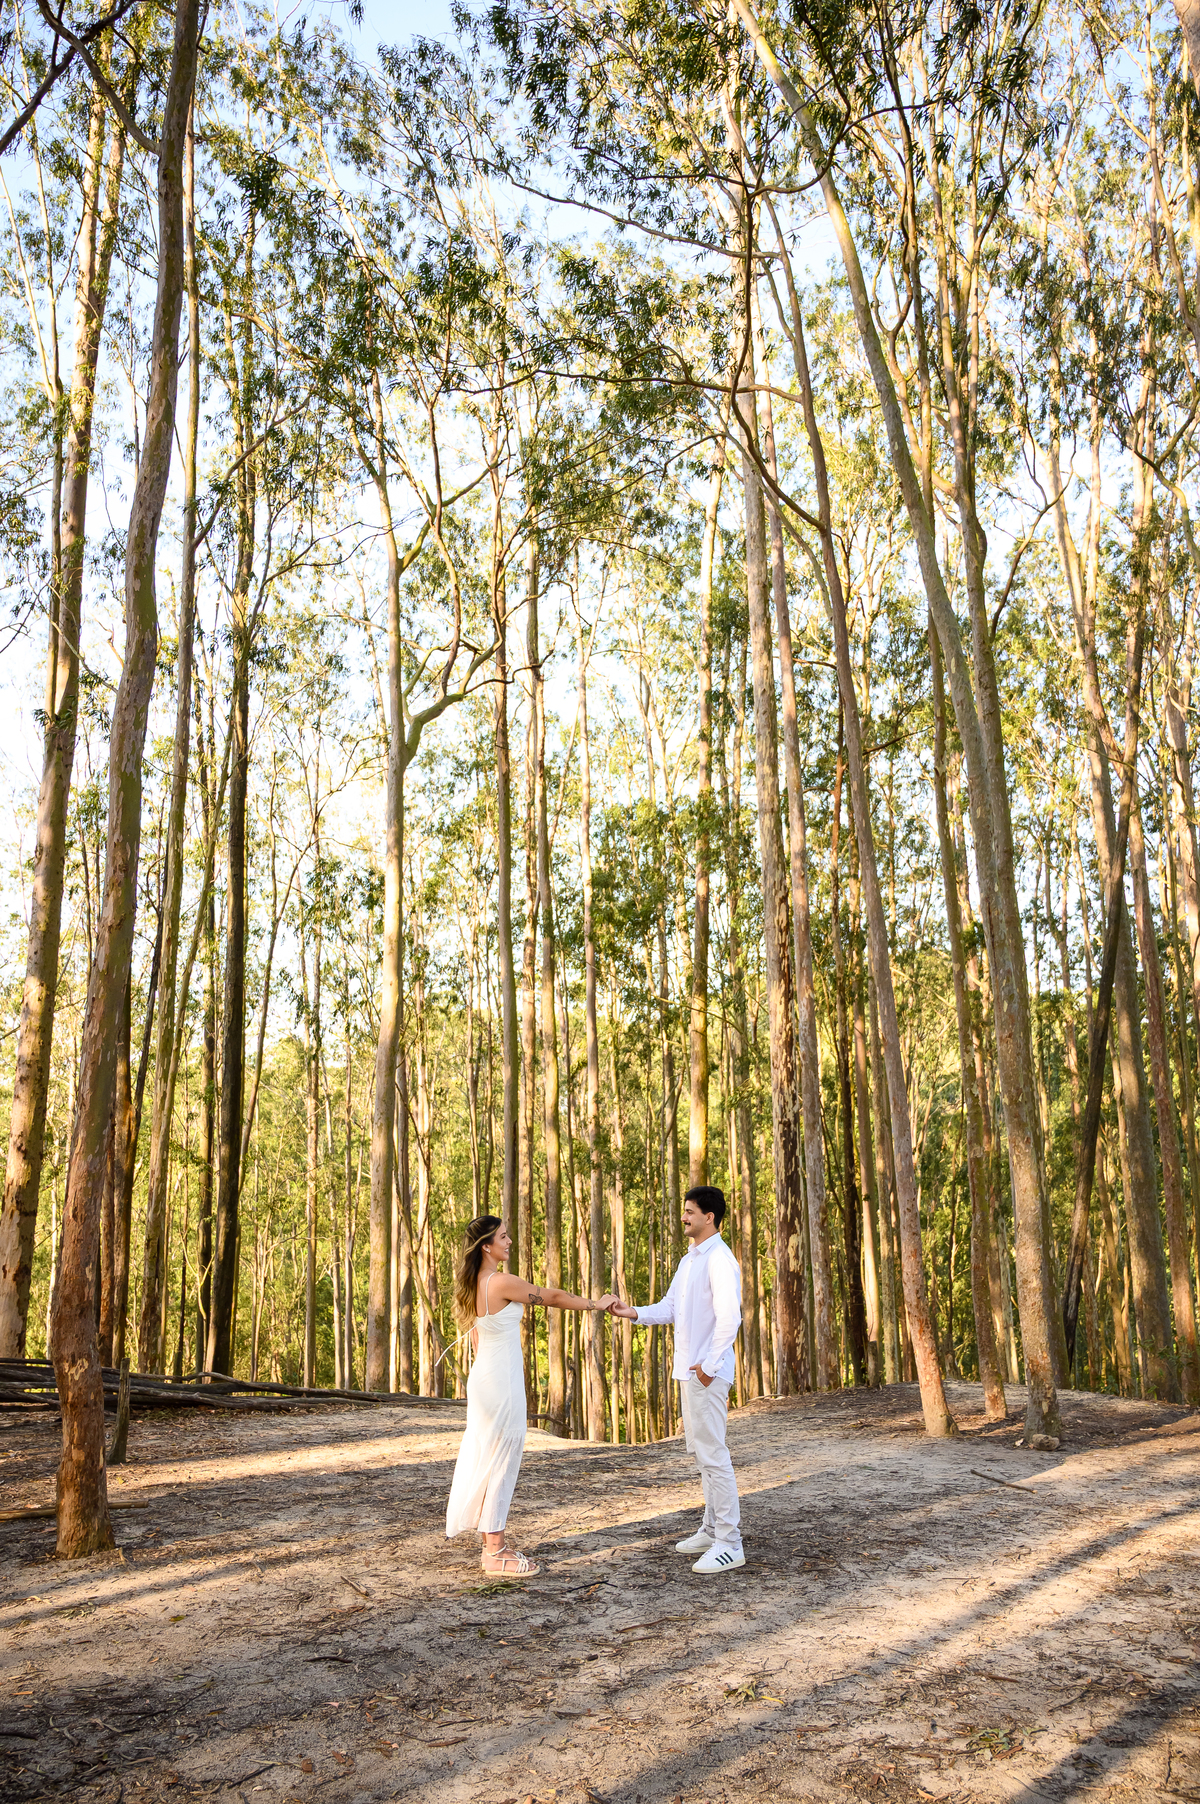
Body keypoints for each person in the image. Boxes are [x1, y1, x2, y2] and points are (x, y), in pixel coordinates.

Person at [445, 1214, 616, 1578]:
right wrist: (594, 1304)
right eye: (503, 1237)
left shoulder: (475, 1282)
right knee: (503, 1456)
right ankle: (495, 1552)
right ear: (486, 1246)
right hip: (500, 1382)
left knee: (490, 1454)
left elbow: (477, 1336)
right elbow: (551, 1296)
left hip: (486, 1377)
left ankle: (493, 1543)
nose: (509, 1242)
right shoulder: (500, 1281)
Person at [611, 1185, 744, 1572]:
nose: (683, 1217)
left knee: (714, 1456)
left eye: (690, 1212)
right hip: (690, 1372)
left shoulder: (720, 1259)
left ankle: (730, 1542)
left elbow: (730, 1318)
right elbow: (670, 1307)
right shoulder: (690, 1261)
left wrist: (708, 1366)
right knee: (702, 1457)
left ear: (709, 1218)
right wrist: (631, 1311)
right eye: (684, 1211)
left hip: (706, 1374)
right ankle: (710, 1527)